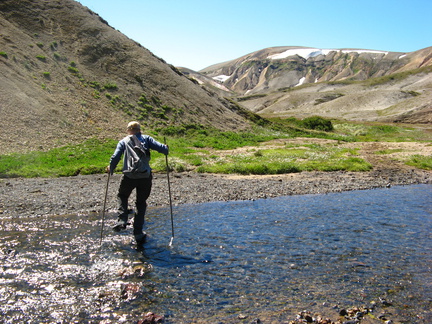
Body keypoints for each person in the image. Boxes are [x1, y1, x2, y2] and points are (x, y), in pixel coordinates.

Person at [107, 121, 169, 246]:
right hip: (145, 176)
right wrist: (166, 148)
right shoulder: (146, 139)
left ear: (128, 130)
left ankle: (122, 220)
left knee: (122, 196)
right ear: (139, 130)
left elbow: (115, 157)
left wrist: (111, 168)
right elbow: (162, 149)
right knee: (140, 203)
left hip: (129, 176)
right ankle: (138, 233)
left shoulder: (123, 141)